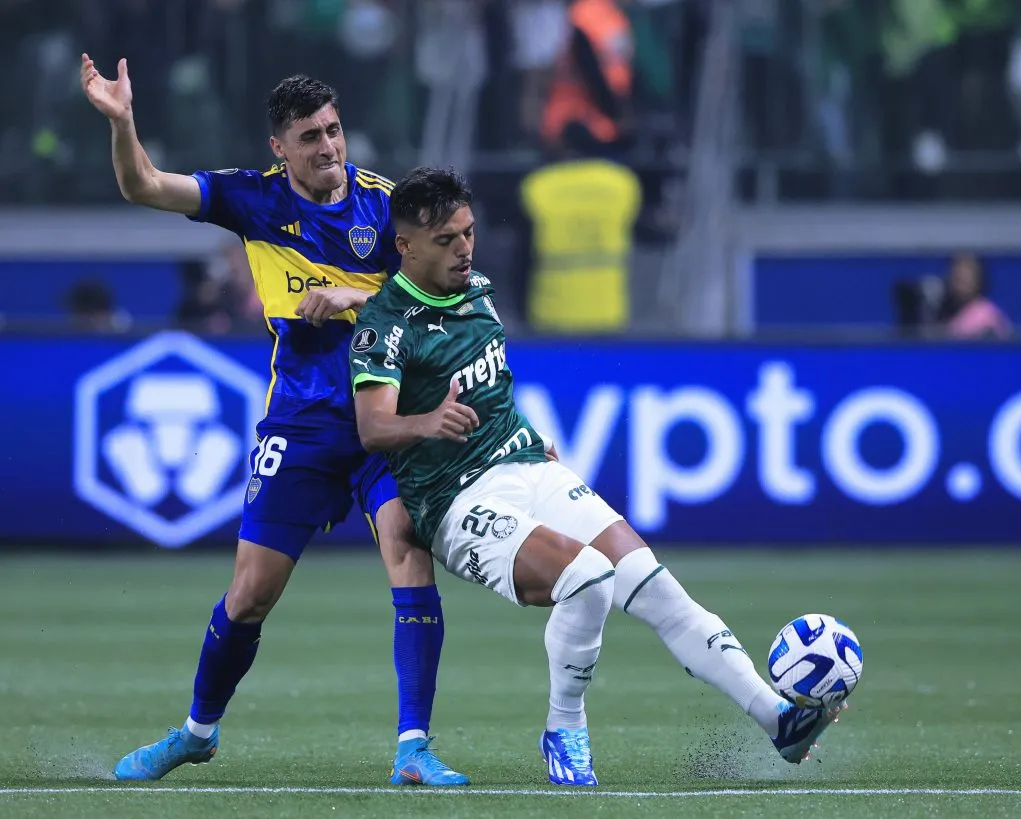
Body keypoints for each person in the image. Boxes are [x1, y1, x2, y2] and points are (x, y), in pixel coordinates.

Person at [350, 167, 847, 784]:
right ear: (405, 245)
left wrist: (529, 436)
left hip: (526, 464)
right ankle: (564, 729)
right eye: (447, 239)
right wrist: (427, 422)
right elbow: (372, 427)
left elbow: (493, 387)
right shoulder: (385, 325)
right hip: (454, 501)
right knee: (586, 578)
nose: (464, 248)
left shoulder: (477, 289)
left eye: (469, 232)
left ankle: (780, 720)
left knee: (659, 589)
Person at [80, 55, 467, 787]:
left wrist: (355, 295)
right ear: (279, 148)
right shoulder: (252, 199)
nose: (329, 146)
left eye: (334, 130)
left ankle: (413, 747)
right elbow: (143, 185)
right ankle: (197, 732)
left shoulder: (388, 206)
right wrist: (123, 121)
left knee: (407, 552)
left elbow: (447, 297)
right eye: (310, 137)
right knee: (251, 593)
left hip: (386, 417)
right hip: (302, 423)